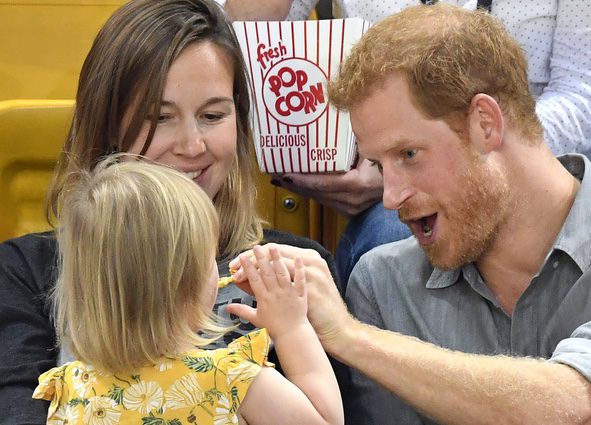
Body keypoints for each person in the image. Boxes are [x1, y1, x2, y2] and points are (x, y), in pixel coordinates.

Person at [230, 5, 591, 424]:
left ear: (485, 123)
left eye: (408, 154)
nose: (389, 196)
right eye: (376, 163)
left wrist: (350, 337)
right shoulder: (381, 284)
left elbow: (574, 408)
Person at [226, 0, 591, 295]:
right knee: (388, 262)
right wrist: (386, 164)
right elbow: (254, 65)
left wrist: (452, 158)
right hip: (418, 166)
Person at [0, 0, 340, 422]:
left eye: (213, 115)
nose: (192, 145)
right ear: (107, 125)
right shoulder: (22, 269)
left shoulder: (293, 267)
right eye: (160, 118)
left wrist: (339, 330)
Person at [32, 158, 343, 424]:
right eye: (211, 258)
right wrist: (291, 328)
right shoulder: (230, 379)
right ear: (187, 283)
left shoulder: (69, 388)